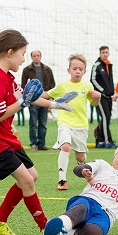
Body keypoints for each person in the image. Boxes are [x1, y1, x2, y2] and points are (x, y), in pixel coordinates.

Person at [0, 29, 75, 235]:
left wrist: (56, 104)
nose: (23, 59)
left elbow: (29, 97)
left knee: (32, 176)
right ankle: (46, 228)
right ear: (9, 53)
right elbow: (0, 115)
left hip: (4, 138)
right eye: (22, 53)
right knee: (27, 181)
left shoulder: (5, 76)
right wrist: (23, 103)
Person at [43, 54, 101, 191]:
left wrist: (98, 97)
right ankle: (62, 180)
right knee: (66, 147)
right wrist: (33, 95)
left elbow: (94, 103)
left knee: (80, 156)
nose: (77, 71)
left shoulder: (87, 86)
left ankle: (84, 164)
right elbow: (47, 95)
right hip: (65, 122)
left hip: (81, 125)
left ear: (84, 71)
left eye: (80, 69)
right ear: (68, 70)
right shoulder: (63, 86)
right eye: (75, 68)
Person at [21, 50, 56, 151]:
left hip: (45, 99)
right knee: (33, 123)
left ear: (41, 56)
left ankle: (42, 144)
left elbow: (52, 85)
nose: (36, 57)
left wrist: (50, 98)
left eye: (38, 55)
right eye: (34, 56)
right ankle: (33, 144)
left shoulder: (47, 70)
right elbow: (23, 86)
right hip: (33, 100)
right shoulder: (27, 70)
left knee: (43, 123)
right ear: (31, 57)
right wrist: (26, 101)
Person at [90, 46, 116, 149]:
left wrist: (112, 91)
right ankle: (107, 140)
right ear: (100, 53)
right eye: (103, 52)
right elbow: (93, 79)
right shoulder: (97, 65)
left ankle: (100, 139)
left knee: (107, 118)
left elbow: (110, 80)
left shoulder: (109, 65)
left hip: (109, 96)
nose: (105, 54)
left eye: (106, 52)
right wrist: (102, 91)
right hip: (101, 97)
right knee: (105, 117)